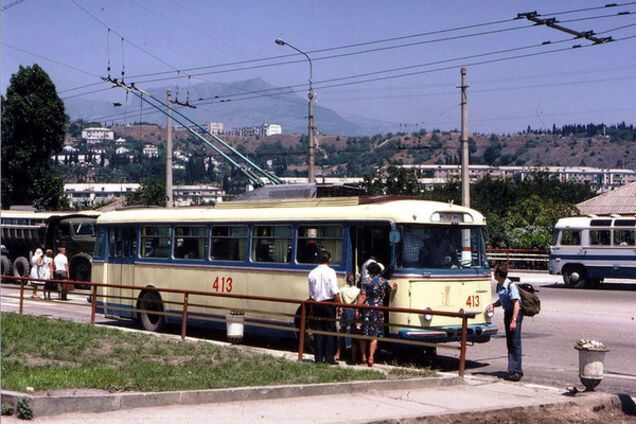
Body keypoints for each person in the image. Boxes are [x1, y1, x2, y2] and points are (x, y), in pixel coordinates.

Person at [486, 264, 523, 381]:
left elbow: (516, 304)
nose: (493, 273)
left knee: (515, 342)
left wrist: (514, 320)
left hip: (515, 314)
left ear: (497, 274)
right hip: (508, 313)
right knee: (510, 342)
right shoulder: (499, 285)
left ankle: (516, 371)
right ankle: (512, 369)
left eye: (494, 272)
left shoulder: (510, 286)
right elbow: (501, 301)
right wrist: (493, 305)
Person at [358, 261, 397, 367]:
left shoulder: (365, 281)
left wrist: (357, 309)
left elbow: (362, 296)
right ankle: (371, 357)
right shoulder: (383, 281)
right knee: (374, 335)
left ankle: (363, 357)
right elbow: (391, 289)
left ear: (369, 270)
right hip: (377, 309)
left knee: (363, 334)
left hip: (366, 309)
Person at [307, 249, 341, 364]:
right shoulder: (331, 272)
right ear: (329, 260)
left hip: (316, 304)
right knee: (330, 331)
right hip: (328, 304)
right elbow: (335, 291)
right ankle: (329, 358)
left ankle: (318, 359)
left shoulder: (312, 273)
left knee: (318, 332)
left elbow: (311, 293)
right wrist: (340, 305)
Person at [335, 273, 361, 363]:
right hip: (353, 312)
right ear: (354, 280)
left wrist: (341, 308)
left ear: (346, 280)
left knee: (341, 333)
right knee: (353, 335)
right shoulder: (358, 290)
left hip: (344, 312)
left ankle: (338, 354)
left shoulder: (341, 290)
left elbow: (339, 301)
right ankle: (353, 357)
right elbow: (358, 303)